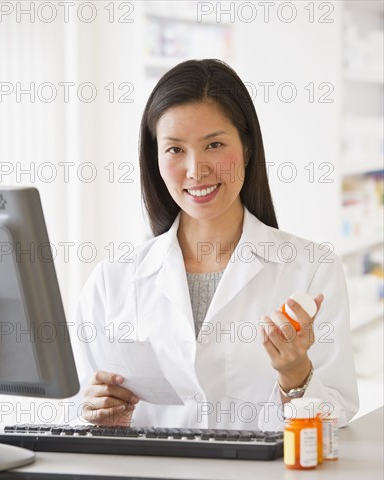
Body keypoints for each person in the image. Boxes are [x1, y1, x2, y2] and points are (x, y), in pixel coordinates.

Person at [74, 59, 359, 432]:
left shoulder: (312, 268)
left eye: (214, 144)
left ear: (247, 148)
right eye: (175, 150)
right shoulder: (114, 278)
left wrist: (296, 376)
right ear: (155, 158)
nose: (196, 170)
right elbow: (76, 409)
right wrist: (96, 413)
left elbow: (335, 417)